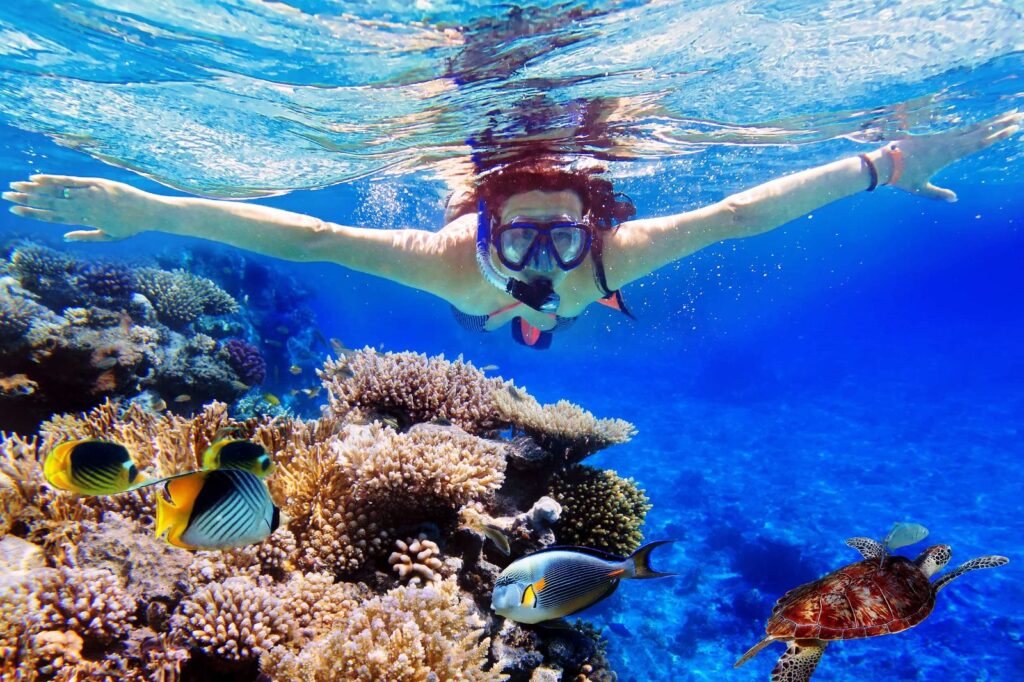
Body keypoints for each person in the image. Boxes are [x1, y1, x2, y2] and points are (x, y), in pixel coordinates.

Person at [3, 112, 1020, 348]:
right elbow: (304, 238)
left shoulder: (613, 252)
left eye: (560, 237)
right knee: (509, 317)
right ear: (480, 219)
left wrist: (886, 165)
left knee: (543, 318)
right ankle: (519, 329)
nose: (542, 254)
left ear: (593, 223)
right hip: (481, 305)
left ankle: (534, 331)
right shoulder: (450, 256)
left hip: (559, 305)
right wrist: (145, 209)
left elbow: (737, 213)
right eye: (521, 236)